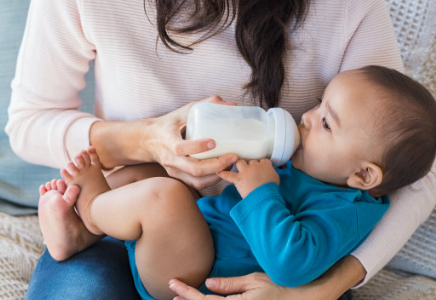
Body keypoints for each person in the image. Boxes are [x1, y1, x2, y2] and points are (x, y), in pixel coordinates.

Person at [5, 0, 436, 299]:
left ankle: (92, 213)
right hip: (144, 228)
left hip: (248, 271)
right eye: (318, 104)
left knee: (161, 195)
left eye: (323, 117)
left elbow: (410, 164)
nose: (306, 116)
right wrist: (148, 139)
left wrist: (322, 289)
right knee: (145, 179)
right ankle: (87, 225)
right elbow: (28, 121)